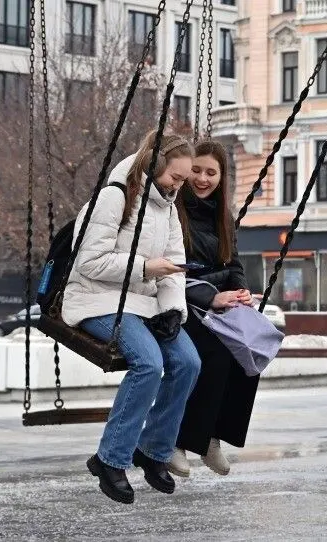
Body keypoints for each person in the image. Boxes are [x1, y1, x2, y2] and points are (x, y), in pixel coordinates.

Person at [61, 130, 202, 504]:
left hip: (143, 302)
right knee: (148, 363)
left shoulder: (168, 207)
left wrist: (173, 309)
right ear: (155, 166)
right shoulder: (115, 197)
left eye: (184, 180)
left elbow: (173, 267)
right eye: (175, 177)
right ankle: (110, 459)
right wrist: (144, 268)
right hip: (96, 299)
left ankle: (153, 450)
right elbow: (88, 261)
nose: (179, 186)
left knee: (188, 362)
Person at [170, 139, 257, 478]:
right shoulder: (173, 211)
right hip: (179, 303)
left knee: (248, 352)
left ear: (222, 178)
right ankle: (179, 439)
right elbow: (175, 269)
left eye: (211, 172)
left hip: (215, 302)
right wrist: (211, 296)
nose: (203, 179)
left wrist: (240, 290)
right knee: (216, 352)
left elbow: (233, 261)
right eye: (196, 171)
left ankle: (212, 438)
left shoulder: (223, 216)